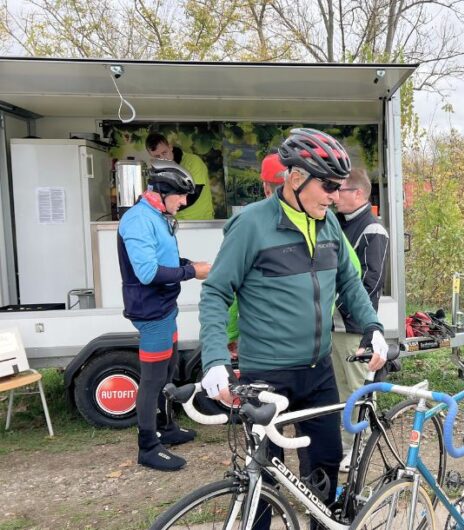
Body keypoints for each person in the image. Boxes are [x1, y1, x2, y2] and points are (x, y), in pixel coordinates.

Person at [199, 129, 388, 526]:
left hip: (318, 370)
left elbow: (349, 282)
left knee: (325, 463)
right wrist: (215, 358)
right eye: (329, 186)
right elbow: (216, 292)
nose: (336, 196)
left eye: (339, 188)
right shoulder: (251, 225)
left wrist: (372, 326)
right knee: (261, 475)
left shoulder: (328, 224)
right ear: (297, 178)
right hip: (266, 374)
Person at [117, 159, 211, 471]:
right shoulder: (138, 220)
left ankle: (166, 428)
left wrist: (187, 262)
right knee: (153, 378)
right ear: (163, 192)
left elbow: (163, 257)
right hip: (151, 310)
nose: (185, 202)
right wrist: (191, 271)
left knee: (169, 368)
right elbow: (147, 272)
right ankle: (148, 446)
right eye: (181, 196)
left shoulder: (158, 216)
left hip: (164, 308)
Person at [331, 167, 390, 471]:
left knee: (358, 392)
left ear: (357, 194)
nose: (333, 196)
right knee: (341, 392)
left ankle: (360, 450)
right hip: (335, 328)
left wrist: (334, 305)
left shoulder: (373, 229)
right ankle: (346, 448)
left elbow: (370, 282)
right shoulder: (338, 223)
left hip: (356, 329)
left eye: (339, 190)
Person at [225, 153, 288, 356]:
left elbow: (229, 288)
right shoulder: (318, 220)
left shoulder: (247, 223)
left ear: (265, 187)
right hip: (305, 345)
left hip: (259, 344)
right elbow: (352, 269)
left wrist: (230, 333)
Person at [145, 132, 215, 220]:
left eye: (164, 152)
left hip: (199, 219)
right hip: (174, 220)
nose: (162, 158)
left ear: (170, 147)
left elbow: (194, 194)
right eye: (157, 156)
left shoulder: (193, 162)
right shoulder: (157, 169)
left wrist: (165, 210)